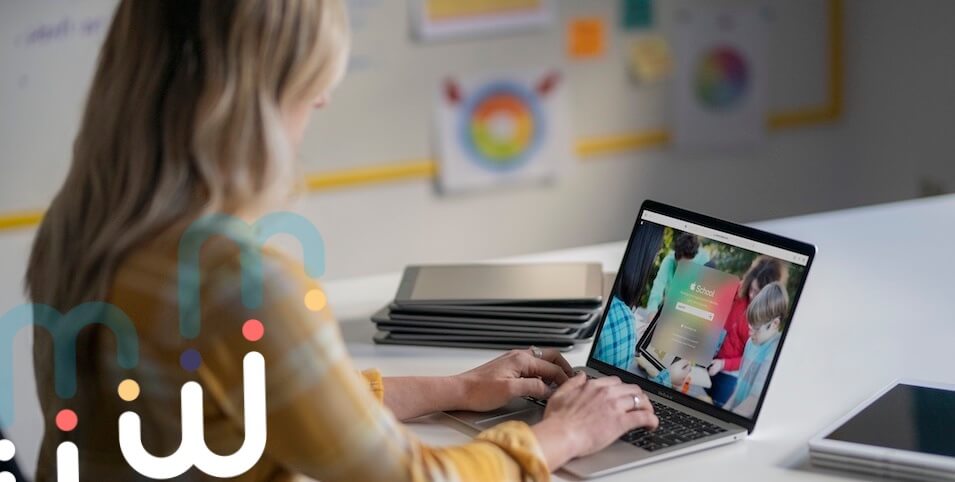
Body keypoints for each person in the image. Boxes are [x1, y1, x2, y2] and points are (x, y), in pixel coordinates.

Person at [24, 1, 658, 480]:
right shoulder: (234, 281)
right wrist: (563, 436)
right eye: (309, 78)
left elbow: (266, 402)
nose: (323, 100)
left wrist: (456, 390)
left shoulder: (84, 227)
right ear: (249, 99)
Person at [707, 257, 786, 405]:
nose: (752, 295)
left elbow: (750, 355)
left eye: (758, 293)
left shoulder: (764, 322)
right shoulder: (738, 291)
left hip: (729, 374)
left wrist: (724, 364)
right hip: (709, 359)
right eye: (752, 289)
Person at [593, 223, 664, 370]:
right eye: (656, 254)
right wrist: (664, 376)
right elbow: (613, 387)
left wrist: (630, 337)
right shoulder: (621, 318)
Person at [723, 282, 788, 418]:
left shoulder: (776, 349)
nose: (749, 333)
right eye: (750, 326)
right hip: (737, 412)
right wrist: (724, 411)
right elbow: (739, 386)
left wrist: (729, 418)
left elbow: (755, 398)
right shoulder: (751, 342)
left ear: (775, 324)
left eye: (756, 328)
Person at [645, 232, 710, 313]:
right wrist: (651, 313)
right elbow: (657, 290)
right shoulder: (669, 261)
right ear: (676, 259)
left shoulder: (704, 260)